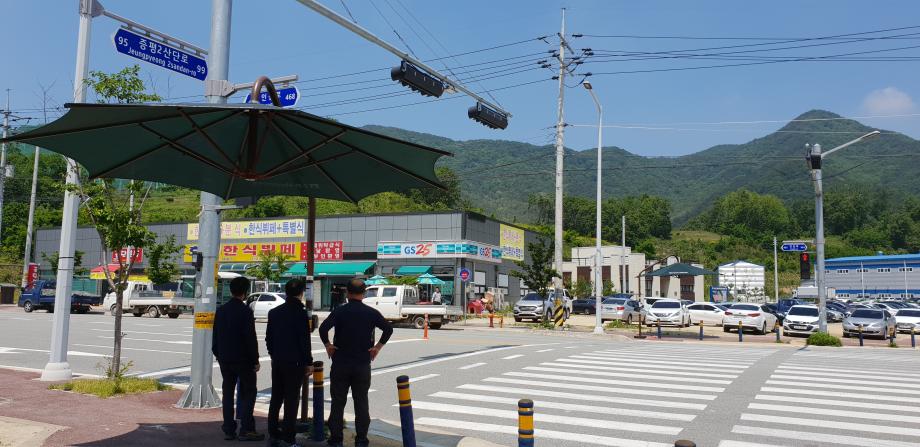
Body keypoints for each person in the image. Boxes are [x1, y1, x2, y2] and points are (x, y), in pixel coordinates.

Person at [320, 278, 393, 447]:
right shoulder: (371, 312)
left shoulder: (340, 311)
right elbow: (388, 329)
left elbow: (323, 328)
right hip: (361, 364)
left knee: (338, 403)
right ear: (364, 293)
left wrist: (328, 345)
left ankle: (336, 439)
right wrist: (377, 347)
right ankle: (361, 440)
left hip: (340, 363)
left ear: (347, 292)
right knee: (361, 402)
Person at [212, 276, 264, 442]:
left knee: (228, 393)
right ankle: (247, 429)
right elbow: (250, 338)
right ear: (245, 291)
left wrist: (219, 355)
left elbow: (215, 338)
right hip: (243, 360)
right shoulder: (245, 312)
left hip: (225, 359)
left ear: (231, 290)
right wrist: (255, 360)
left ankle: (229, 429)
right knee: (249, 391)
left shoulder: (221, 311)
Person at [266, 279, 312, 446]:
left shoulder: (275, 312)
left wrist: (273, 354)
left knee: (276, 397)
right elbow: (304, 340)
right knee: (291, 400)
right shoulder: (300, 313)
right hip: (295, 363)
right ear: (301, 293)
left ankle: (273, 432)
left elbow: (268, 338)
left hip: (278, 361)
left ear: (286, 292)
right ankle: (288, 437)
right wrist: (309, 361)